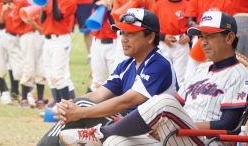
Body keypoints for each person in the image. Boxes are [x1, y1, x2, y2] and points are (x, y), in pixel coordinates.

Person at [59, 11, 248, 146]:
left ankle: (100, 133)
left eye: (209, 36)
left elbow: (228, 125)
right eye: (201, 36)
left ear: (229, 38)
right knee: (116, 142)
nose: (203, 42)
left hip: (204, 141)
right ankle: (106, 135)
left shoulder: (240, 75)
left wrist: (176, 126)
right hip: (176, 136)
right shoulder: (200, 70)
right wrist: (166, 126)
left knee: (163, 101)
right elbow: (179, 106)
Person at [37, 8, 177, 146]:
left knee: (81, 109)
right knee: (77, 114)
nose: (124, 39)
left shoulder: (159, 64)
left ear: (150, 37)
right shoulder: (126, 65)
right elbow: (98, 94)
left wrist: (80, 111)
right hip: (129, 124)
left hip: (153, 131)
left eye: (131, 34)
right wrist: (69, 107)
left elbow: (126, 101)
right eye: (123, 33)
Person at [40, 0, 77, 103]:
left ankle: (68, 108)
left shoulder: (70, 0)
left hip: (60, 41)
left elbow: (57, 16)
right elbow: (43, 21)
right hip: (48, 40)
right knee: (50, 76)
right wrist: (43, 10)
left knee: (58, 75)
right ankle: (57, 104)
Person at [111, 0, 156, 64]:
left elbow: (152, 23)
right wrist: (132, 2)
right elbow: (116, 19)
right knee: (120, 65)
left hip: (142, 39)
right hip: (124, 37)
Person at [17, 0, 49, 109]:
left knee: (42, 68)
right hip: (29, 36)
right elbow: (16, 19)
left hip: (44, 35)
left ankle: (40, 99)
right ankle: (24, 98)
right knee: (29, 66)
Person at [153, 0, 190, 86]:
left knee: (180, 77)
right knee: (160, 73)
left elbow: (193, 24)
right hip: (163, 42)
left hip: (181, 42)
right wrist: (162, 37)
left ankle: (178, 102)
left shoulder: (187, 5)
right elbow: (152, 27)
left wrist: (189, 36)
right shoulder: (159, 4)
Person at [89, 0, 118, 91]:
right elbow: (93, 26)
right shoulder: (96, 9)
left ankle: (116, 106)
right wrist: (98, 7)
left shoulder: (117, 7)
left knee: (115, 78)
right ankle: (94, 106)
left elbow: (115, 26)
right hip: (98, 44)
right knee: (97, 80)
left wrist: (110, 9)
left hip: (114, 44)